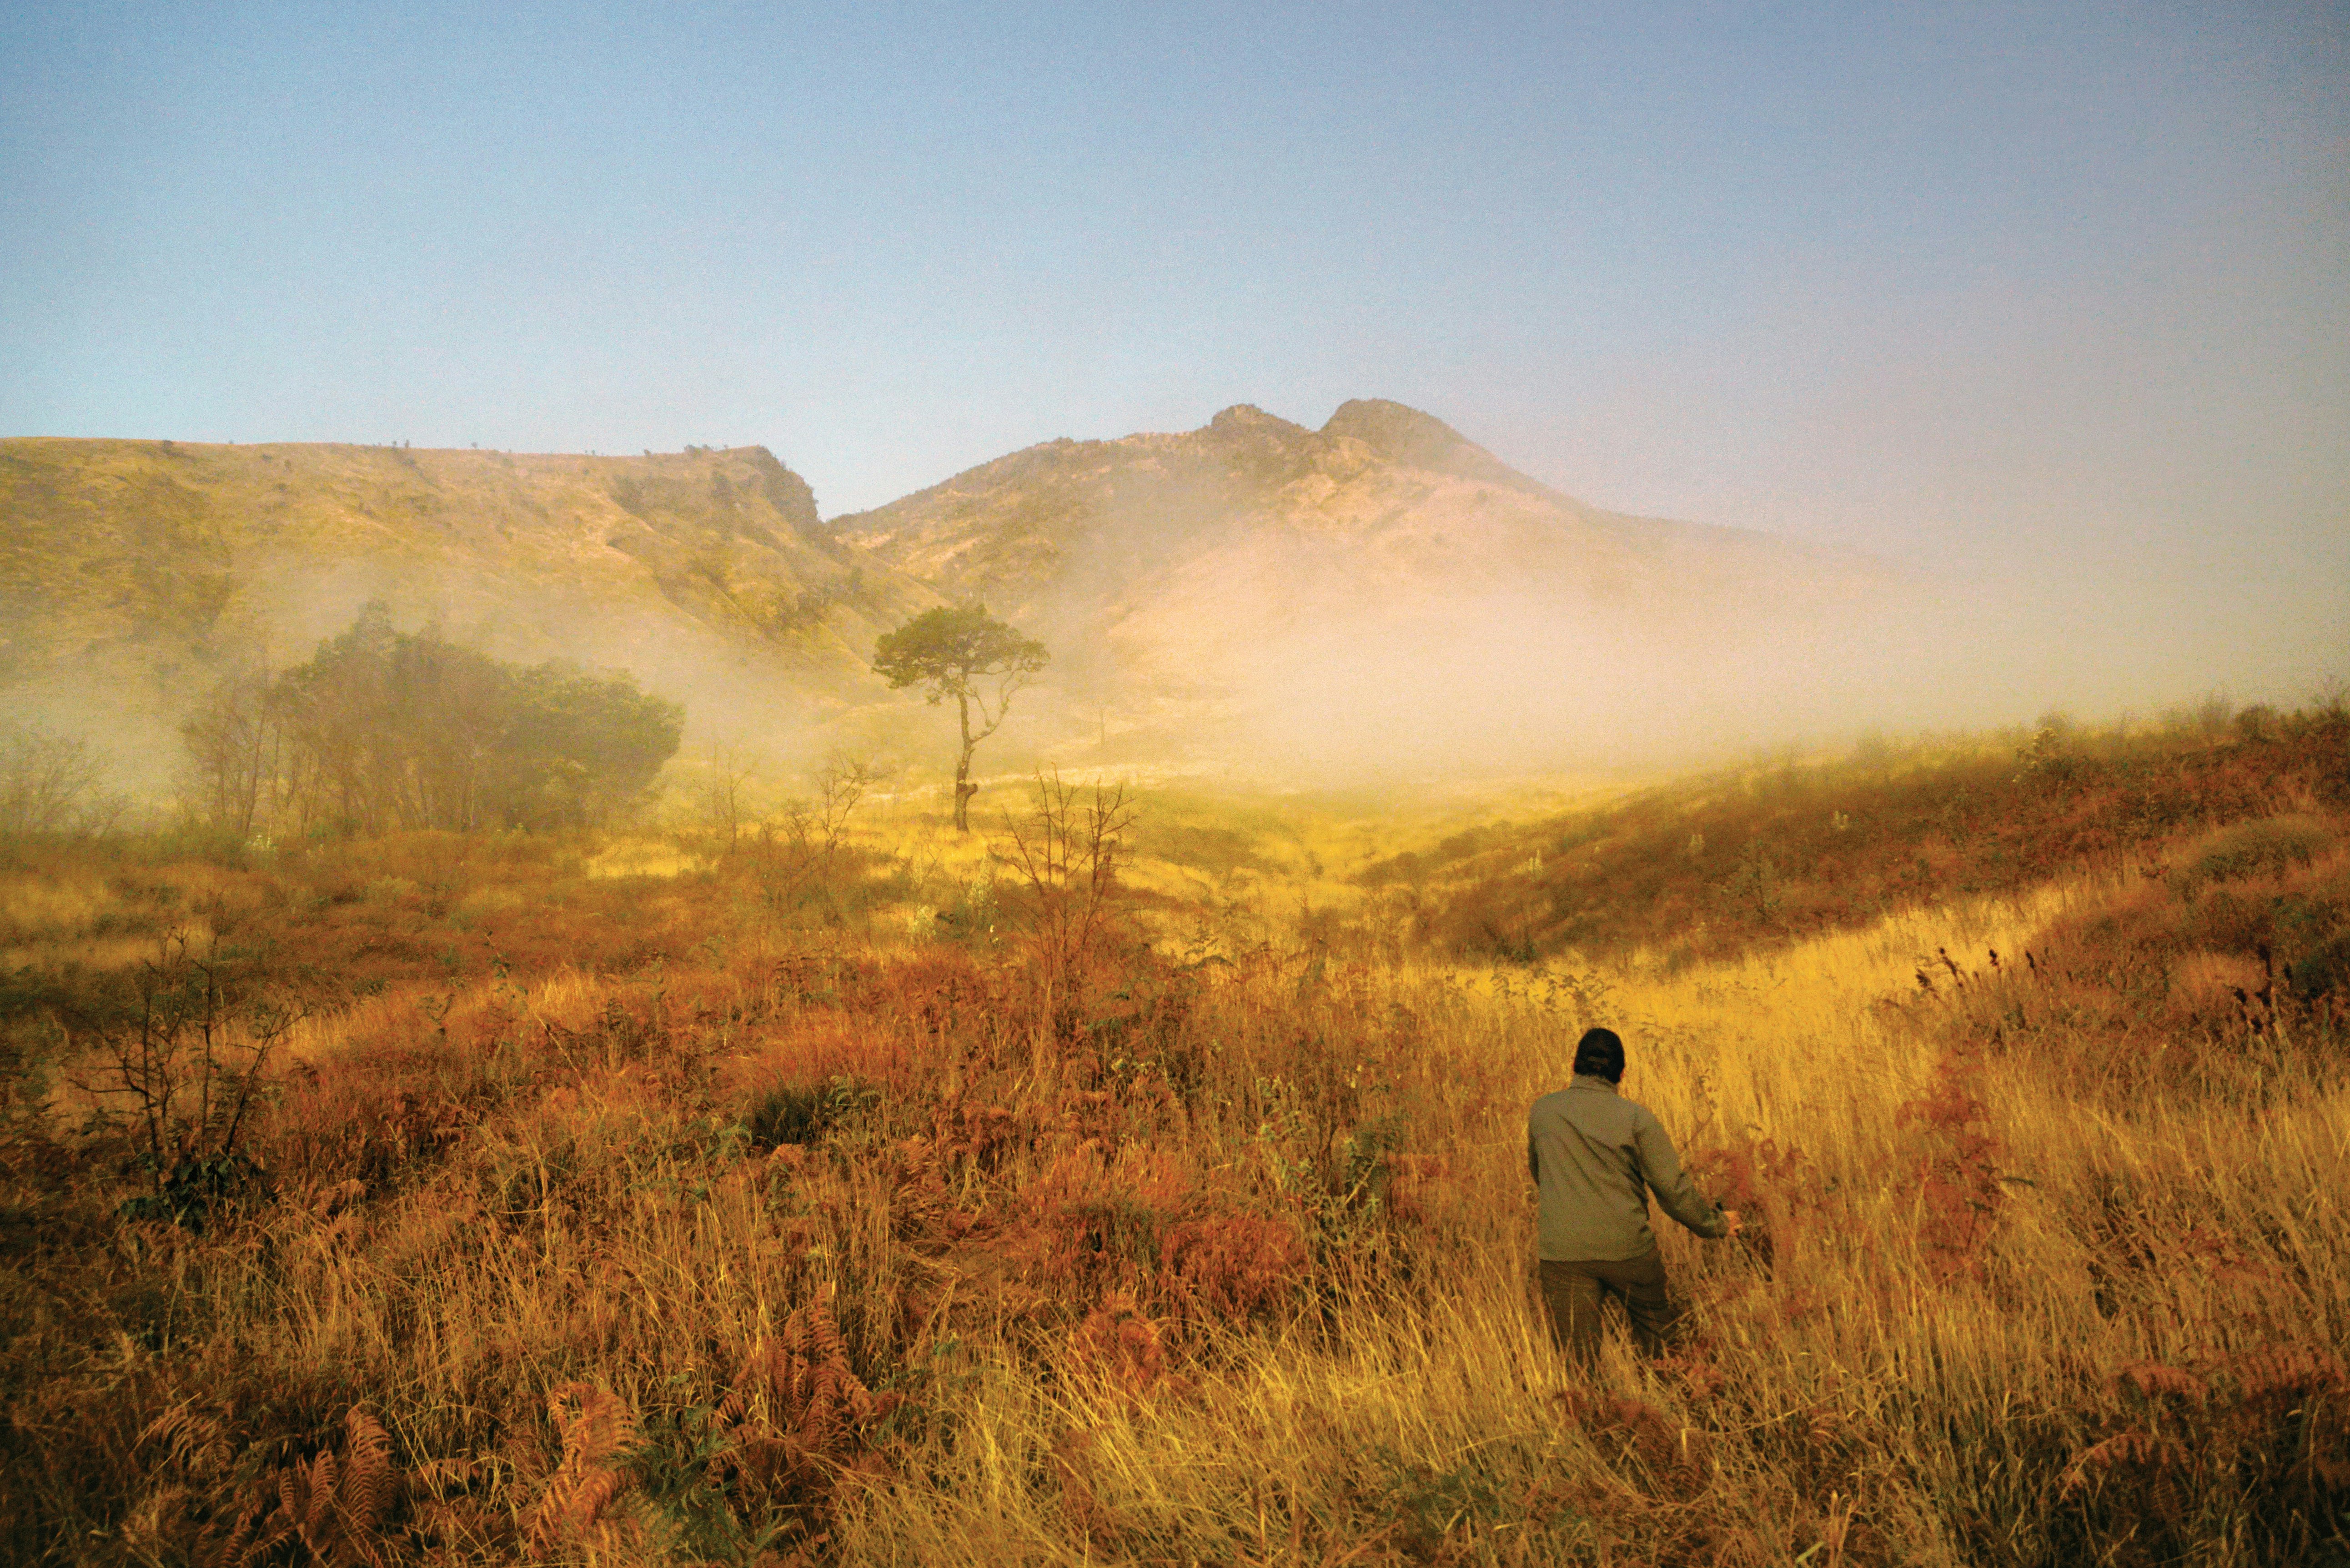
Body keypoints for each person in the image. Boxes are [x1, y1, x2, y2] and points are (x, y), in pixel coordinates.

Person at [1527, 1026, 1741, 1365]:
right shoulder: (1637, 1119)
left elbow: (1541, 1174)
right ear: (1622, 1073)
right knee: (1661, 1347)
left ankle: (1591, 1413)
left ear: (1574, 1065)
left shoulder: (1543, 1111)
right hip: (1629, 1250)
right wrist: (1715, 1225)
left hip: (1563, 1254)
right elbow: (1672, 1191)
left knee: (1578, 1363)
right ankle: (1666, 1398)